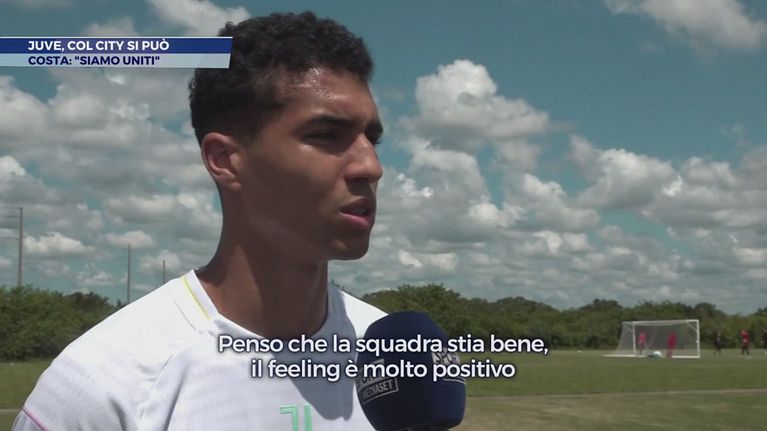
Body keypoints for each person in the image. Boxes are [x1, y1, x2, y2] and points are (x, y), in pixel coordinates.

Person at [14, 12, 387, 430]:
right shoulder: (102, 388)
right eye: (327, 135)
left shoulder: (395, 358)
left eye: (371, 139)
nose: (371, 166)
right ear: (224, 159)